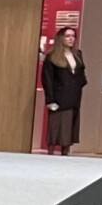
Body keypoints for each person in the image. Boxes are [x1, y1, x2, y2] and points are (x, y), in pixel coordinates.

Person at [42, 25, 86, 155]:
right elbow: (47, 79)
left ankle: (65, 152)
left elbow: (81, 74)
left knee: (69, 128)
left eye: (73, 36)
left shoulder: (78, 54)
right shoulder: (52, 56)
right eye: (67, 36)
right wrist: (50, 100)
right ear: (61, 38)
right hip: (59, 97)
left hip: (74, 96)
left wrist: (80, 84)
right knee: (57, 126)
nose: (71, 39)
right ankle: (51, 152)